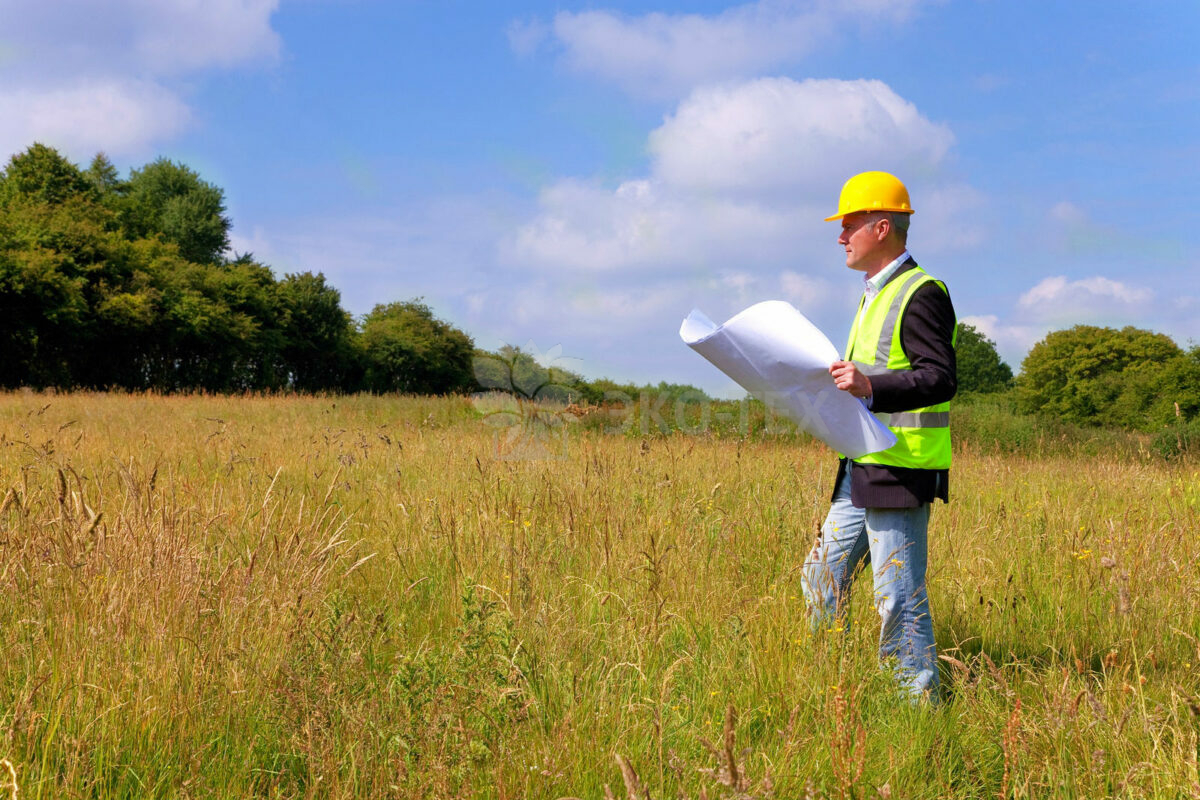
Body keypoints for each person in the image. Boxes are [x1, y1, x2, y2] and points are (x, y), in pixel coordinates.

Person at [801, 171, 957, 701]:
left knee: (898, 597)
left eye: (849, 226)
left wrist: (871, 385)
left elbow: (940, 376)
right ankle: (830, 689)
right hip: (860, 466)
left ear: (882, 227)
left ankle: (918, 710)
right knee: (820, 576)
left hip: (900, 467)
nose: (840, 237)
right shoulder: (874, 294)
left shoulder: (922, 292)